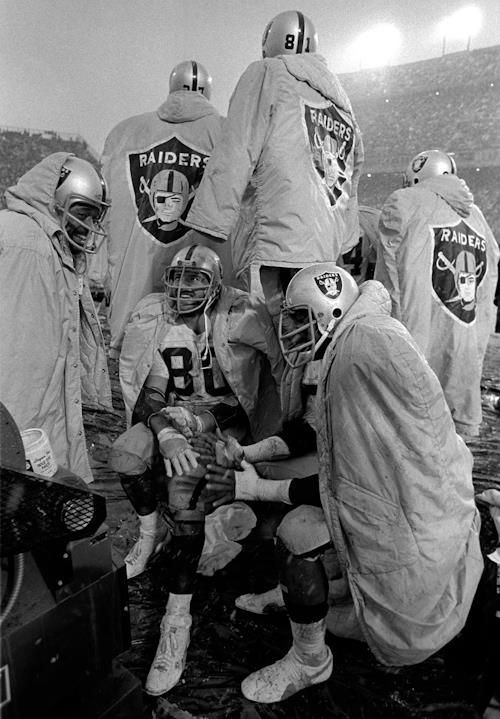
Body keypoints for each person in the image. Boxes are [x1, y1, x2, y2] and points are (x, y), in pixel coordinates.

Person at [204, 263, 483, 703]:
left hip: (415, 561)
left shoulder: (357, 353)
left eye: (298, 316)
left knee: (297, 531)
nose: (289, 328)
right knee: (301, 503)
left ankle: (310, 659)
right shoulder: (356, 337)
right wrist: (250, 453)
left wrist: (254, 490)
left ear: (329, 310)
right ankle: (309, 599)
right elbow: (313, 432)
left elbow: (342, 488)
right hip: (433, 518)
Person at [108, 243, 284, 695]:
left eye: (195, 282)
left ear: (215, 284)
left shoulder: (238, 316)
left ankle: (176, 622)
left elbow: (247, 396)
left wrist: (201, 421)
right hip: (177, 419)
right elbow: (150, 397)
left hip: (222, 425)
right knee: (127, 455)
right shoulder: (162, 323)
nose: (183, 291)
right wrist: (167, 430)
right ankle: (149, 538)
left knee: (184, 494)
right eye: (177, 280)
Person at [185, 10, 364, 325]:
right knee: (306, 344)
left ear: (270, 42)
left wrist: (208, 227)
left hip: (275, 247)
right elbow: (351, 186)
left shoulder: (267, 73)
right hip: (324, 255)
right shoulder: (344, 110)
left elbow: (236, 150)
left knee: (261, 344)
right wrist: (343, 242)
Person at [100, 60, 230, 358]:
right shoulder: (227, 132)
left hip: (135, 306)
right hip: (202, 305)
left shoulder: (125, 132)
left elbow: (112, 216)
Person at [0, 153, 112, 484]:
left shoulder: (42, 240)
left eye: (94, 217)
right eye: (82, 213)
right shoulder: (26, 245)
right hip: (17, 424)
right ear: (55, 199)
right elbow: (20, 363)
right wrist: (18, 443)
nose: (89, 228)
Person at [376, 149, 499, 439]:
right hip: (463, 361)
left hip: (415, 355)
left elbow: (387, 283)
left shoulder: (404, 201)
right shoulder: (480, 221)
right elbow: (486, 297)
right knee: (451, 460)